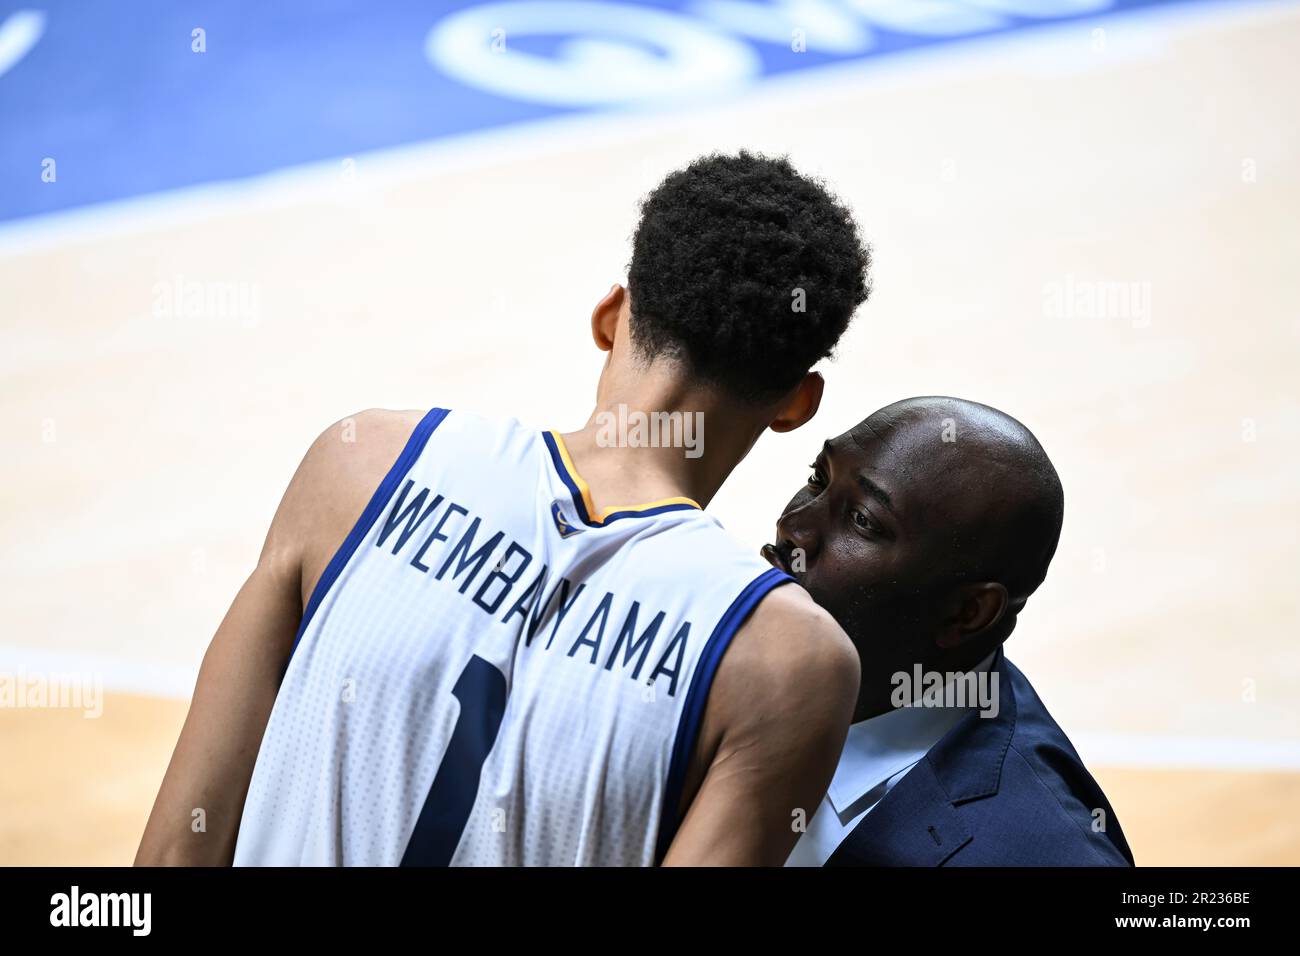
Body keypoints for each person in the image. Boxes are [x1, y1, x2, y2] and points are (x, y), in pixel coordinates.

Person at [136, 151, 872, 867]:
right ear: (797, 404)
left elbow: (176, 850)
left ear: (611, 316)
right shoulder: (789, 660)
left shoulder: (361, 464)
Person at [767, 397, 1134, 866]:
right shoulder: (714, 651)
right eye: (819, 478)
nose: (793, 527)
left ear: (967, 613)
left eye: (863, 520)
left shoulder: (1042, 853)